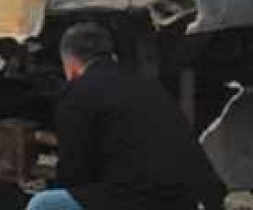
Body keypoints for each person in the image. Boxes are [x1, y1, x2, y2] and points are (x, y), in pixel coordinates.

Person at [28, 23, 227, 210]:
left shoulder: (78, 91)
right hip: (198, 195)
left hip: (148, 199)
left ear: (70, 64)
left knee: (43, 204)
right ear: (111, 56)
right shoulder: (148, 86)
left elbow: (73, 172)